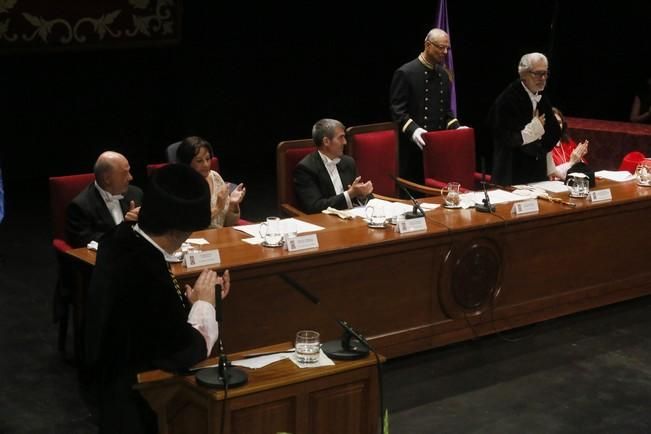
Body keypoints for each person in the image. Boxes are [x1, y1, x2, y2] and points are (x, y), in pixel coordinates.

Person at [84, 164, 230, 434]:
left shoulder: (120, 238)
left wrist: (186, 302)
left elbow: (149, 317)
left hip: (104, 376)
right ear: (181, 229)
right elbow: (182, 350)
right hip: (134, 399)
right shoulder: (147, 270)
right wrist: (204, 304)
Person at [389, 28, 460, 182]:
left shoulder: (443, 75)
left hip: (438, 148)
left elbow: (446, 112)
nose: (445, 52)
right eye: (441, 47)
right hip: (412, 148)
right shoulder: (406, 72)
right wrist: (414, 130)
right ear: (428, 45)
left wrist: (457, 128)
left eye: (447, 48)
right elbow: (397, 110)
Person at [487, 52, 561, 185]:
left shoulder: (542, 97)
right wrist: (531, 133)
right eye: (538, 74)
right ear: (523, 75)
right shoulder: (507, 100)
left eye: (545, 73)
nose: (543, 78)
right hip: (512, 172)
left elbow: (554, 131)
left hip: (537, 172)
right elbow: (503, 137)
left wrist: (540, 147)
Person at [294, 118, 373, 214]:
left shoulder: (348, 162)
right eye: (341, 137)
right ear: (326, 141)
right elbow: (314, 207)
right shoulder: (306, 168)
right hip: (325, 223)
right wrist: (349, 194)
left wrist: (362, 195)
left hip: (353, 219)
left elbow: (361, 197)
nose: (345, 142)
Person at [66, 151, 143, 248]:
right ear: (107, 179)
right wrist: (125, 228)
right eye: (125, 173)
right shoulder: (80, 207)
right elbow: (83, 244)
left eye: (129, 171)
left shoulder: (136, 193)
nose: (130, 177)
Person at [176, 136, 245, 229]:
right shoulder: (180, 185)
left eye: (208, 159)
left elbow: (228, 224)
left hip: (219, 238)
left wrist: (232, 204)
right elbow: (190, 225)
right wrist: (217, 208)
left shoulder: (215, 177)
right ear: (186, 163)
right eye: (199, 161)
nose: (205, 164)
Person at [546, 107, 589, 180]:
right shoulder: (543, 145)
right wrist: (571, 163)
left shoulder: (568, 143)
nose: (557, 126)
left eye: (559, 123)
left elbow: (584, 170)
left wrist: (579, 159)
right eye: (554, 122)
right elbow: (549, 174)